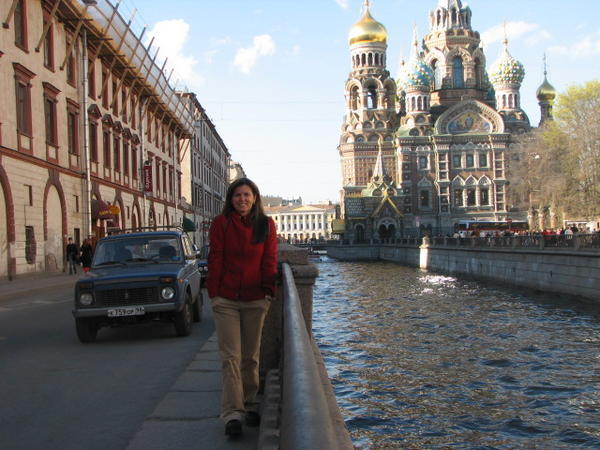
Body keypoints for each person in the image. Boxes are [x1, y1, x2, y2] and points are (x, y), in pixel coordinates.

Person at [207, 177, 277, 437]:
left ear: (255, 198)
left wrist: (268, 292)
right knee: (230, 358)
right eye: (237, 195)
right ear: (231, 199)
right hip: (225, 300)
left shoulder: (266, 225)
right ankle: (232, 414)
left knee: (250, 357)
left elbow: (269, 261)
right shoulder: (221, 224)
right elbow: (216, 257)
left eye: (247, 195)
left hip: (255, 299)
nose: (242, 199)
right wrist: (214, 293)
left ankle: (248, 404)